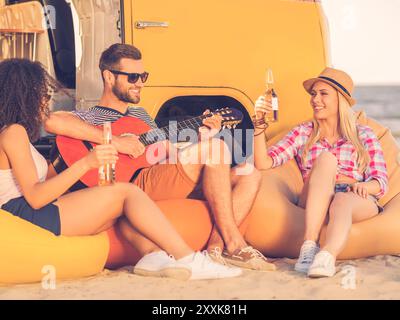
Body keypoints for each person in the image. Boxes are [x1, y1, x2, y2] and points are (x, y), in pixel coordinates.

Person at [0, 58, 244, 281]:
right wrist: (87, 163)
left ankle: (152, 255)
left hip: (30, 209)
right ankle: (189, 259)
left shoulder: (11, 132)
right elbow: (35, 196)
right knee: (127, 193)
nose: (46, 99)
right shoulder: (14, 133)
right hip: (27, 214)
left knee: (114, 202)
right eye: (42, 93)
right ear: (24, 95)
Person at [44, 43, 275, 271]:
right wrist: (116, 141)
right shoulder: (90, 115)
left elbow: (169, 156)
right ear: (109, 77)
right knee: (216, 149)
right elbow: (52, 121)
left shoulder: (141, 116)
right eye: (133, 77)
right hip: (131, 186)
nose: (140, 84)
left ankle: (215, 247)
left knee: (250, 174)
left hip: (157, 178)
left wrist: (204, 139)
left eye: (143, 76)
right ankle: (235, 244)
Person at [252, 67, 388, 278]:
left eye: (323, 93)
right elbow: (263, 163)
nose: (315, 99)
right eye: (314, 94)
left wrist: (363, 185)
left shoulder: (364, 134)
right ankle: (308, 248)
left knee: (342, 199)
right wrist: (258, 124)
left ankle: (326, 256)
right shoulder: (303, 132)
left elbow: (380, 181)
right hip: (315, 197)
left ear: (340, 100)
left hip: (354, 198)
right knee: (326, 159)